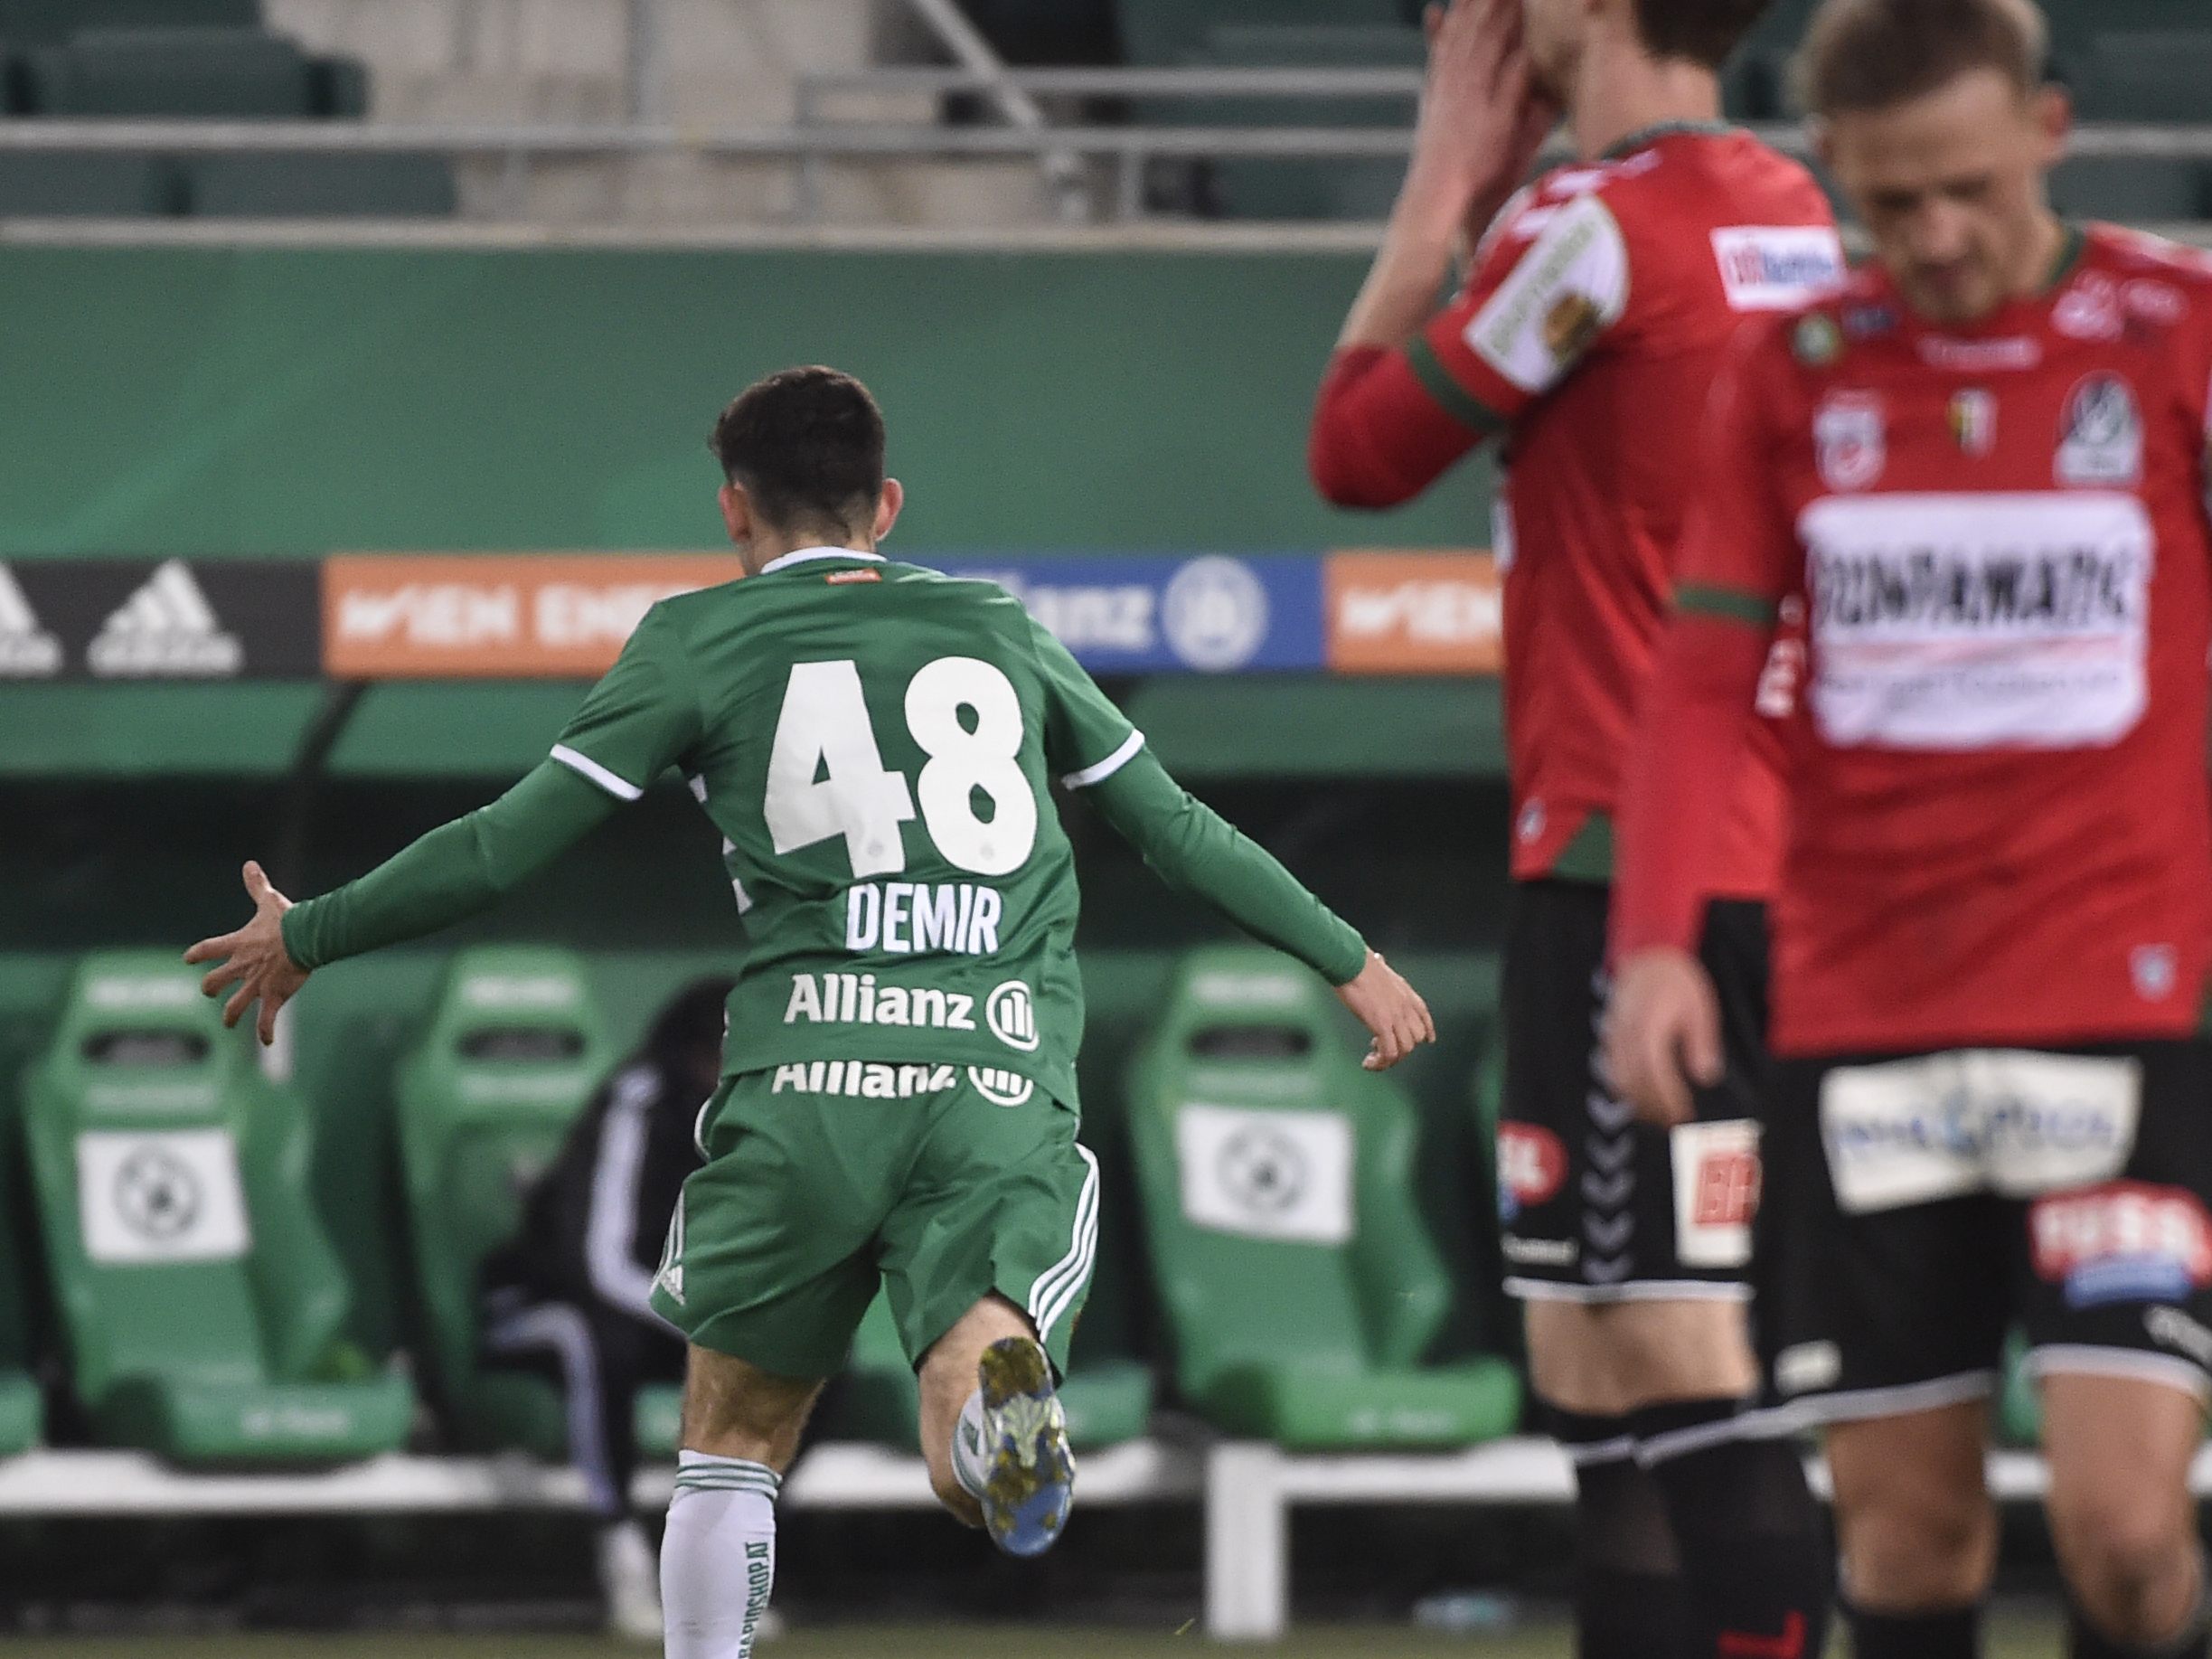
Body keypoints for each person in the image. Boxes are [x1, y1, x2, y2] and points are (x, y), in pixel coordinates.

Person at [184, 365, 1435, 1659]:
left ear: (734, 510)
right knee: (977, 1377)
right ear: (884, 504)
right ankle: (994, 1395)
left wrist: (314, 931)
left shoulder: (693, 640)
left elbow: (504, 844)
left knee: (730, 1435)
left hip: (805, 1086)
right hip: (989, 1072)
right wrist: (1349, 957)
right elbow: (1173, 829)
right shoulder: (999, 629)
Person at [1605, 2, 2212, 1654]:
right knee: (1907, 1539)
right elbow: (1698, 681)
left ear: (2049, 131)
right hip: (1865, 1018)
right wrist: (1653, 940)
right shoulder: (1793, 373)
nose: (1932, 238)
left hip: (2115, 1005)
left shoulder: (2176, 329)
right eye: (1888, 204)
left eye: (1964, 189)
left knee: (2126, 1531)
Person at [1308, 1, 1840, 1654]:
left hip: (1630, 868)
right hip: (1773, 862)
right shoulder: (1791, 208)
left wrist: (1442, 187)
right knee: (1600, 1376)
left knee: (1666, 1370)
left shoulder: (1586, 223)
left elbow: (1354, 451)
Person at [476, 975, 735, 1643]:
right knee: (592, 1338)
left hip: (664, 1315)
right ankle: (619, 1548)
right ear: (690, 1051)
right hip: (541, 1305)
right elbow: (598, 1266)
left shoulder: (752, 1117)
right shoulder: (635, 1101)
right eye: (721, 1053)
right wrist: (701, 1324)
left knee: (813, 1354)